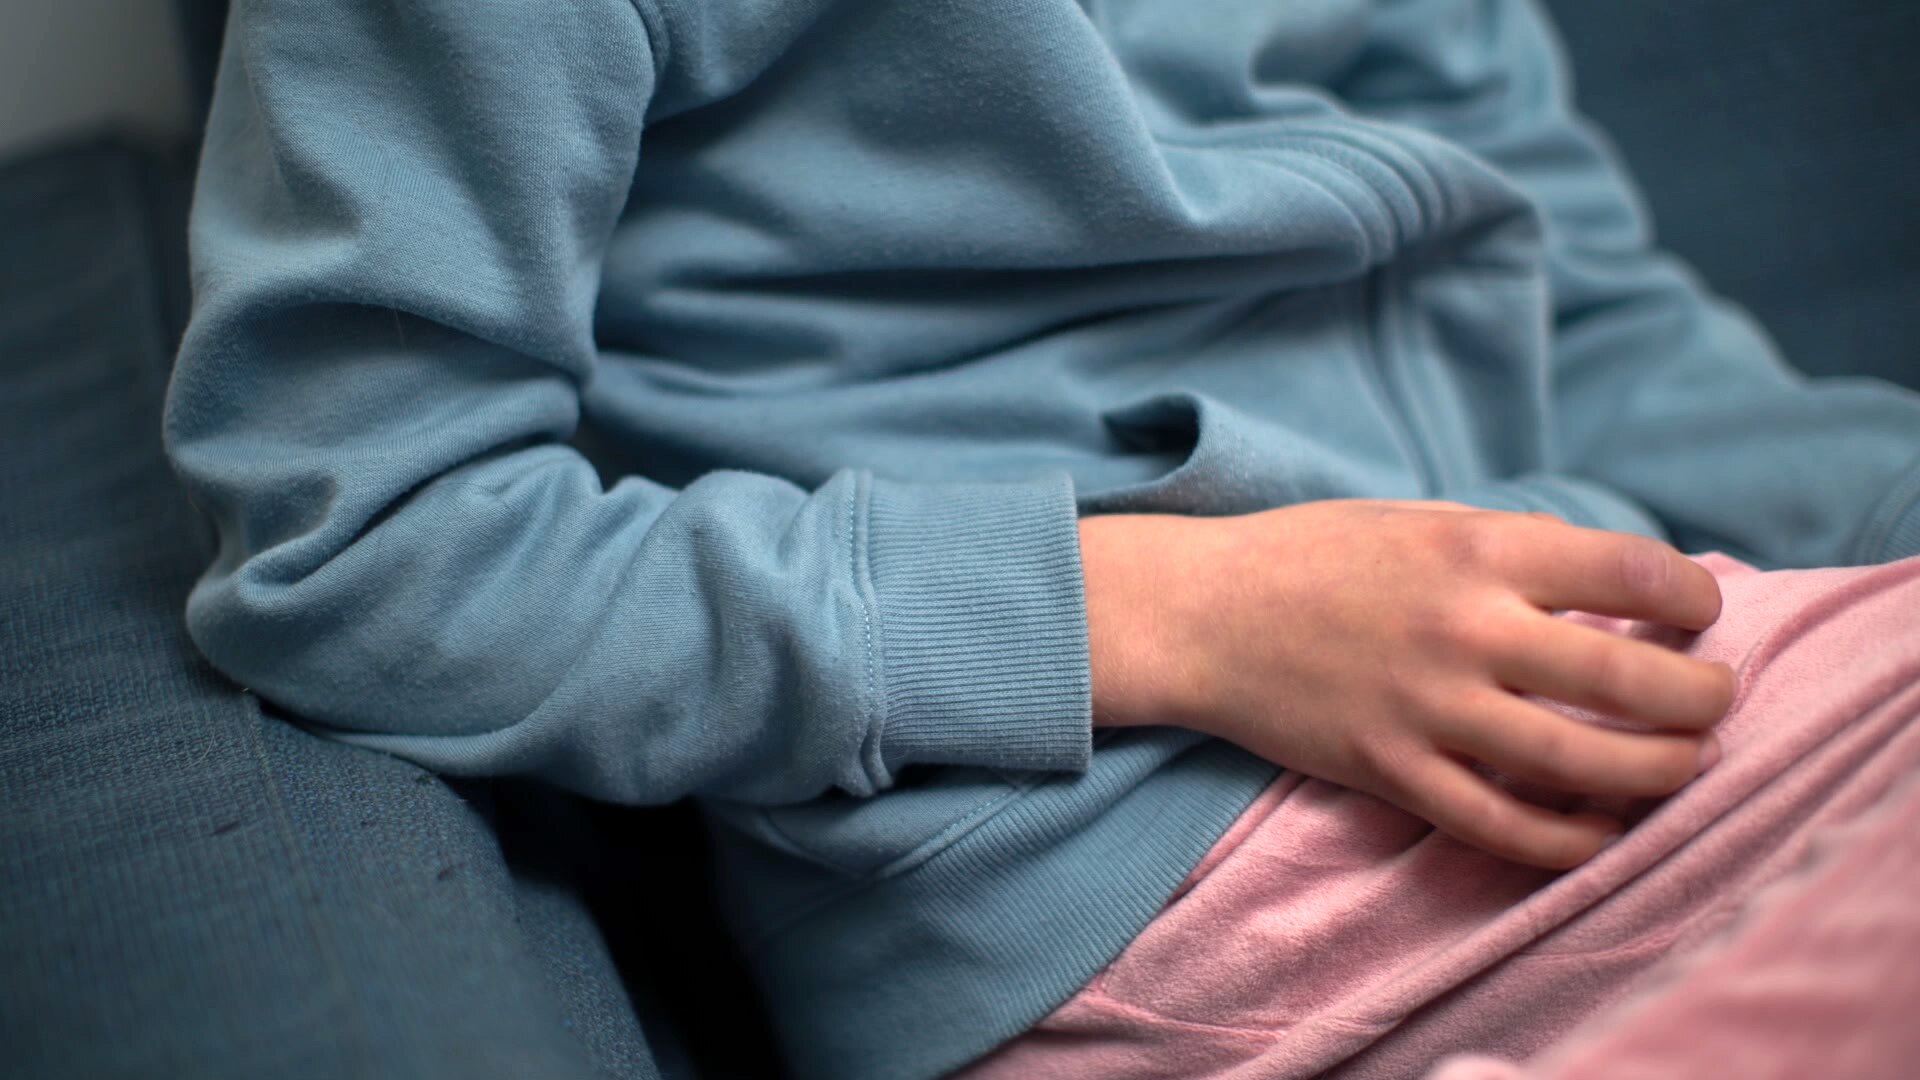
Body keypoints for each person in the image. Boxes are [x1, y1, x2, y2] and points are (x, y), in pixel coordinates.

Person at [162, 0, 1920, 1077]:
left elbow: (1591, 321)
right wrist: (1181, 617)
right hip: (1135, 857)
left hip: (1566, 650)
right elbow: (364, 541)